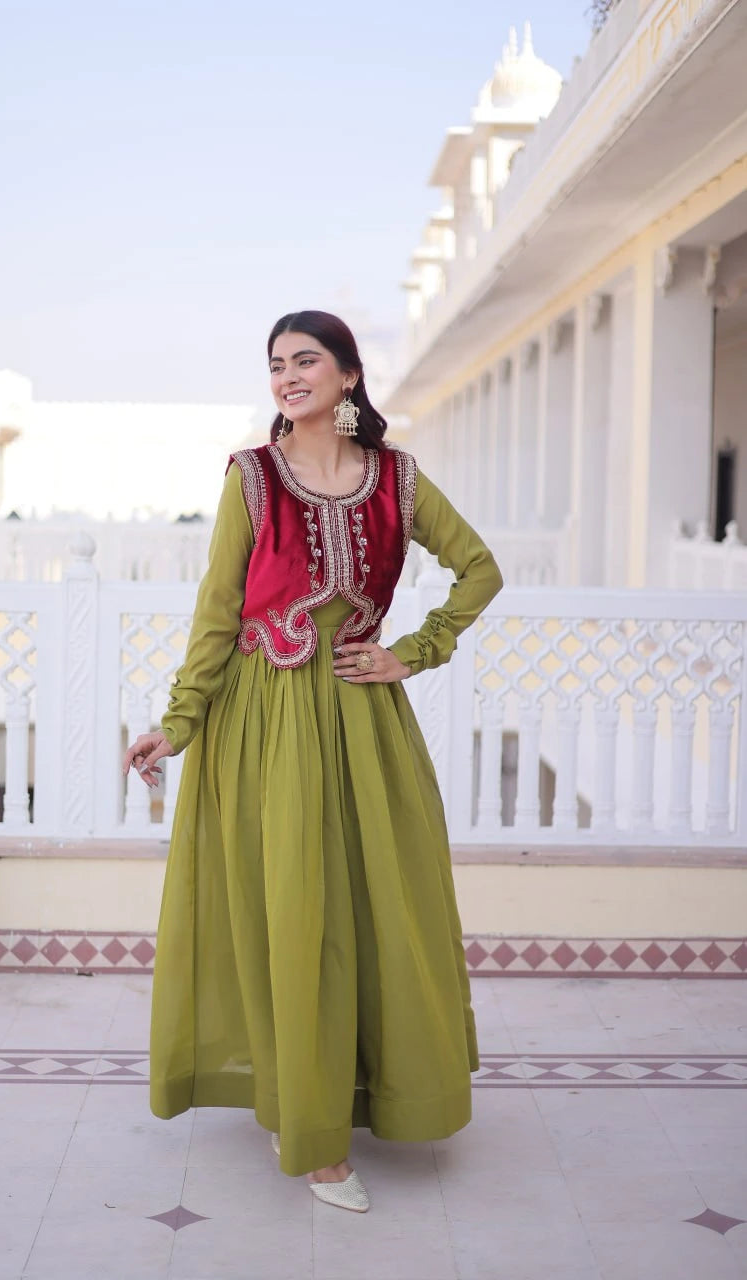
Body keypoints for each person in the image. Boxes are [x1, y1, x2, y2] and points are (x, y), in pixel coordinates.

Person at [123, 310, 503, 1213]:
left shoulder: (399, 480)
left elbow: (478, 568)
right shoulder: (251, 479)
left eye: (305, 361)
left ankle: (366, 1091)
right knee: (294, 912)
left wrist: (412, 651)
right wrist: (176, 726)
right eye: (276, 366)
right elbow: (218, 612)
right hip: (265, 720)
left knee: (374, 907)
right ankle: (310, 1132)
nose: (288, 377)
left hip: (366, 723)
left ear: (348, 374)